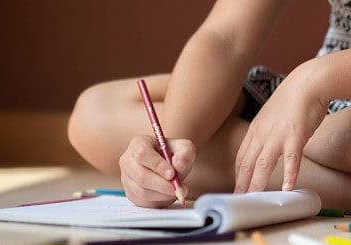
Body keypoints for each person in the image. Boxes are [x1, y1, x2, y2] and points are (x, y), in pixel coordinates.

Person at [68, 0, 351, 209]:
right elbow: (225, 39)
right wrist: (172, 152)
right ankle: (328, 183)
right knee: (95, 114)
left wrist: (314, 80)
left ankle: (303, 171)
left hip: (325, 87)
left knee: (338, 138)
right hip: (312, 98)